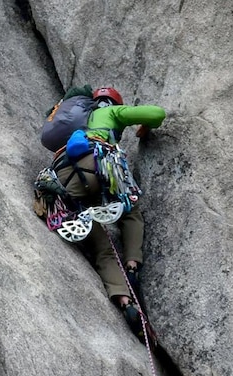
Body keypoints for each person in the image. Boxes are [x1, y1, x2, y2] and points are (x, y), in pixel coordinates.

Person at [52, 84, 166, 337]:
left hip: (63, 178)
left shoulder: (71, 121)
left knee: (101, 246)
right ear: (111, 102)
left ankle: (124, 299)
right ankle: (133, 264)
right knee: (130, 211)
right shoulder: (110, 113)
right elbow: (156, 114)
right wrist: (142, 128)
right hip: (98, 164)